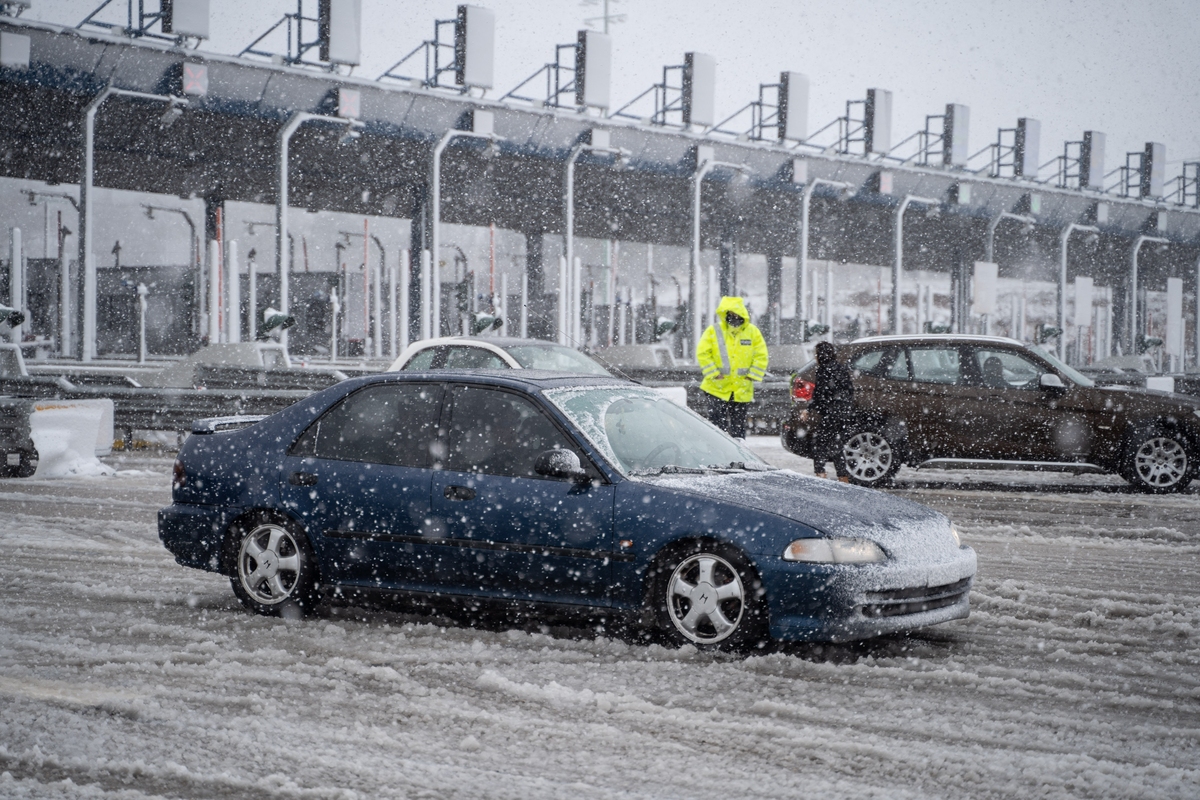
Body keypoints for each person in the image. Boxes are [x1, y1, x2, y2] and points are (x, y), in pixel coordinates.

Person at [696, 296, 768, 439]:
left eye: (737, 314)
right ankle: (719, 449)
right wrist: (714, 373)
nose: (734, 317)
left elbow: (761, 355)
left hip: (741, 389)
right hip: (716, 388)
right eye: (731, 314)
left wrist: (752, 375)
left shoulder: (752, 332)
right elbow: (703, 353)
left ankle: (736, 450)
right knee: (717, 429)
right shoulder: (714, 331)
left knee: (738, 429)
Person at [808, 341, 856, 481]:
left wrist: (810, 409)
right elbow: (849, 390)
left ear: (821, 355)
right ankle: (843, 476)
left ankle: (820, 474)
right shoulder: (840, 368)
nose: (815, 357)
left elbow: (820, 394)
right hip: (843, 412)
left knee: (820, 443)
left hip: (832, 412)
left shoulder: (823, 370)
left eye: (816, 354)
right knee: (836, 444)